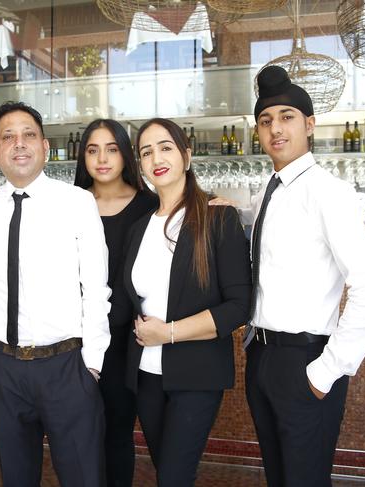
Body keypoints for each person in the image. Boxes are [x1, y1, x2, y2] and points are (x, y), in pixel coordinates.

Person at [244, 65, 365, 487]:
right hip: (262, 357)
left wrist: (325, 372)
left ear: (309, 124)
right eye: (266, 120)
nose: (276, 128)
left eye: (287, 117)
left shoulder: (329, 192)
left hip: (305, 361)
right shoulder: (264, 195)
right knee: (278, 477)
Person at [0, 101, 111, 487]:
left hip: (67, 367)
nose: (20, 144)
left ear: (46, 148)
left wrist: (92, 364)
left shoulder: (77, 202)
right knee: (16, 477)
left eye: (29, 134)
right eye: (8, 137)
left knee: (83, 477)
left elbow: (96, 287)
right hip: (3, 369)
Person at [117, 118, 252, 487]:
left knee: (174, 477)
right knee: (168, 472)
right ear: (140, 165)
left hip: (196, 374)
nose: (156, 157)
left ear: (186, 156)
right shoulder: (138, 228)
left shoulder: (218, 216)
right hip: (145, 374)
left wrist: (169, 333)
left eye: (165, 147)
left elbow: (239, 306)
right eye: (146, 152)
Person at [73, 119, 157, 487]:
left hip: (127, 343)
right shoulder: (69, 203)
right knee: (77, 434)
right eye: (93, 150)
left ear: (125, 153)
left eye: (111, 149)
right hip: (74, 338)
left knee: (118, 434)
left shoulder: (149, 205)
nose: (102, 158)